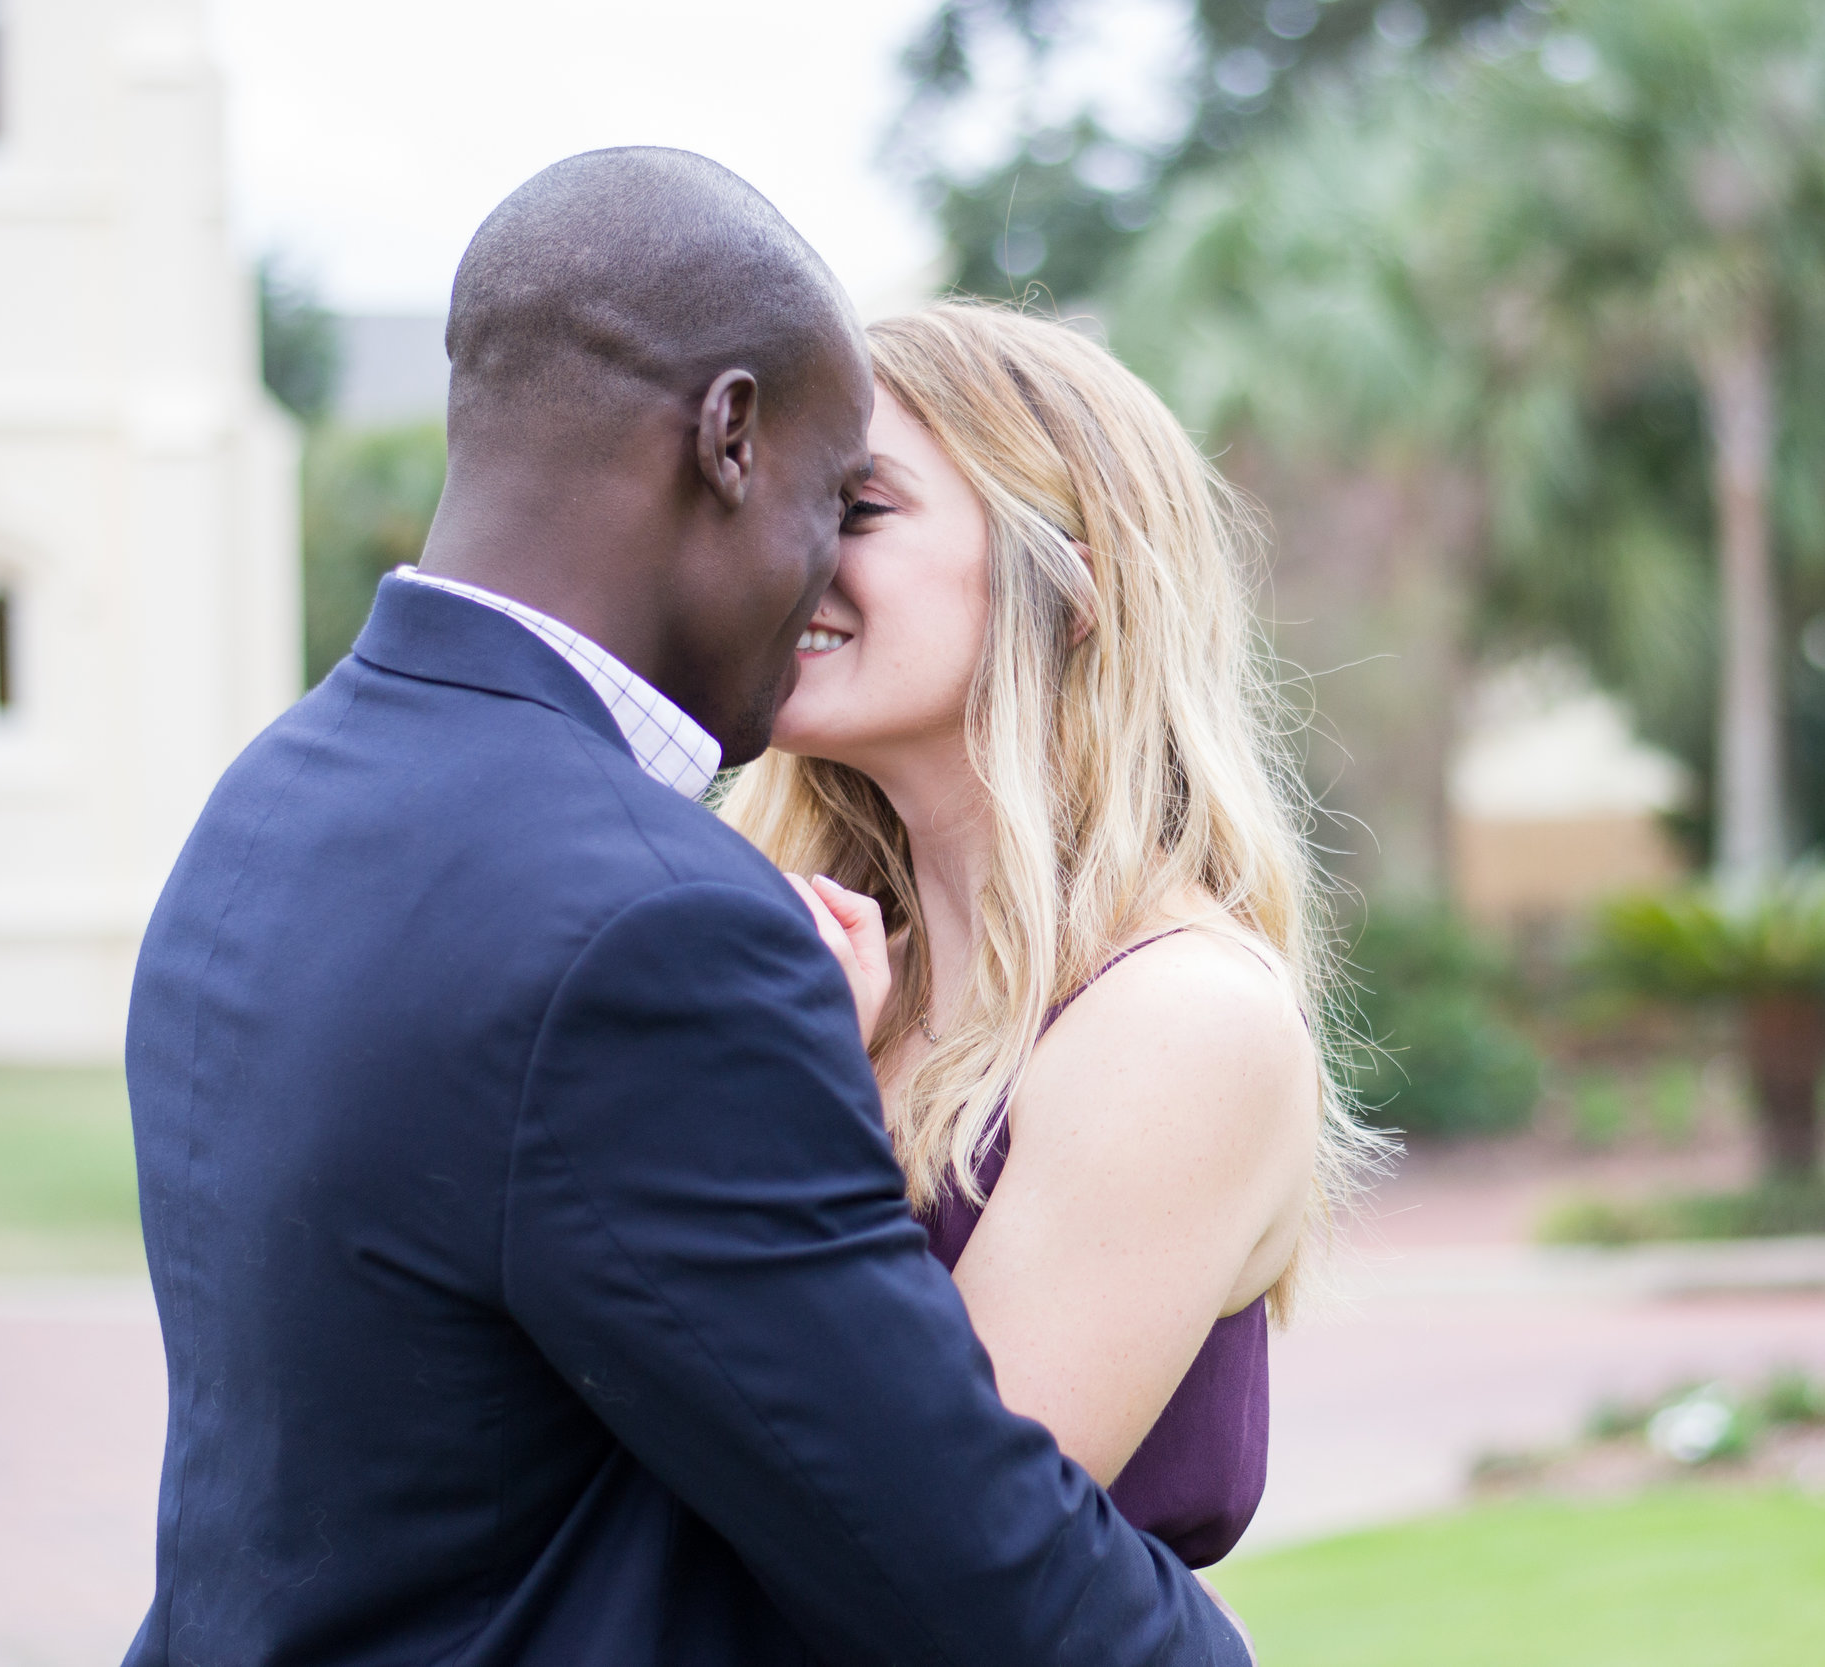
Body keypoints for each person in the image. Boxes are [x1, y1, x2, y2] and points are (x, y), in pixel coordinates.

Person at [122, 149, 1248, 1666]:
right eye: (824, 494)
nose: (815, 565)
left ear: (1078, 575)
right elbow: (952, 1568)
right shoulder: (671, 935)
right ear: (728, 438)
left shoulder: (277, 799)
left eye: (874, 507)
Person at [722, 304, 1386, 1570]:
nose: (785, 556)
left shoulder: (1176, 1020)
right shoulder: (835, 971)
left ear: (1070, 583)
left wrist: (800, 1106)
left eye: (855, 509)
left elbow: (919, 1534)